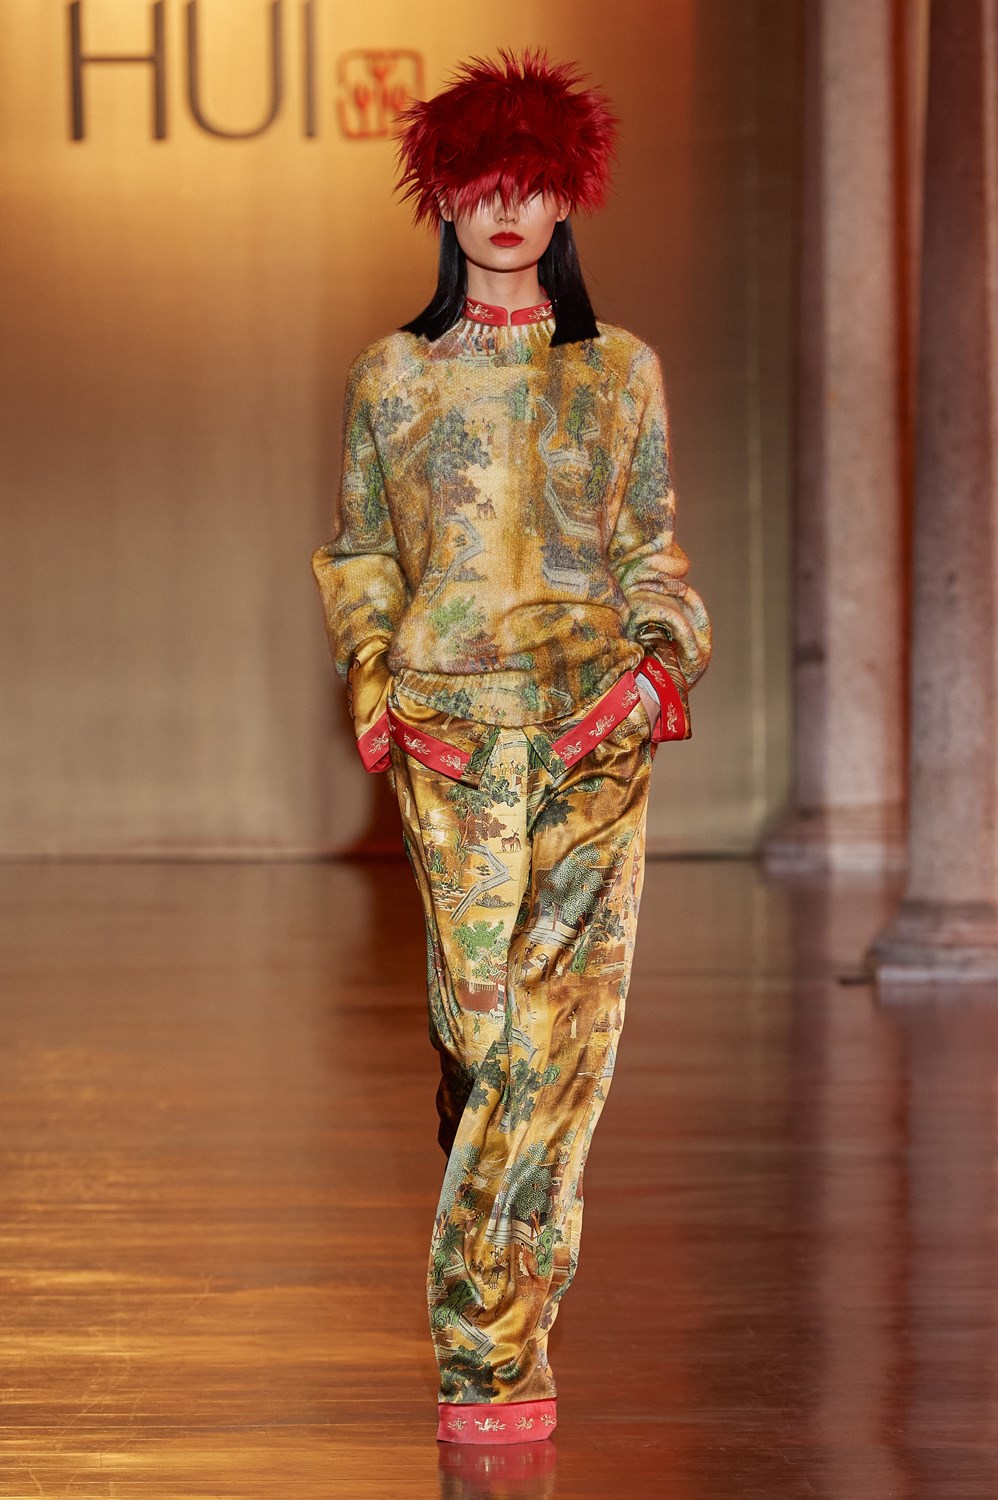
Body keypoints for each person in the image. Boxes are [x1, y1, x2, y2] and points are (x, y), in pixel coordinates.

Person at [311, 47, 712, 1445]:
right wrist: (378, 685)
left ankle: (490, 1351)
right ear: (441, 195)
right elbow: (364, 551)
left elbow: (650, 550)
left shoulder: (618, 372)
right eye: (479, 180)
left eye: (529, 182)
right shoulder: (393, 376)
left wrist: (651, 674)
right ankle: (493, 1213)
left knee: (558, 1045)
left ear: (564, 199)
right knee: (484, 1038)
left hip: (594, 732)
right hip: (452, 739)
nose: (503, 207)